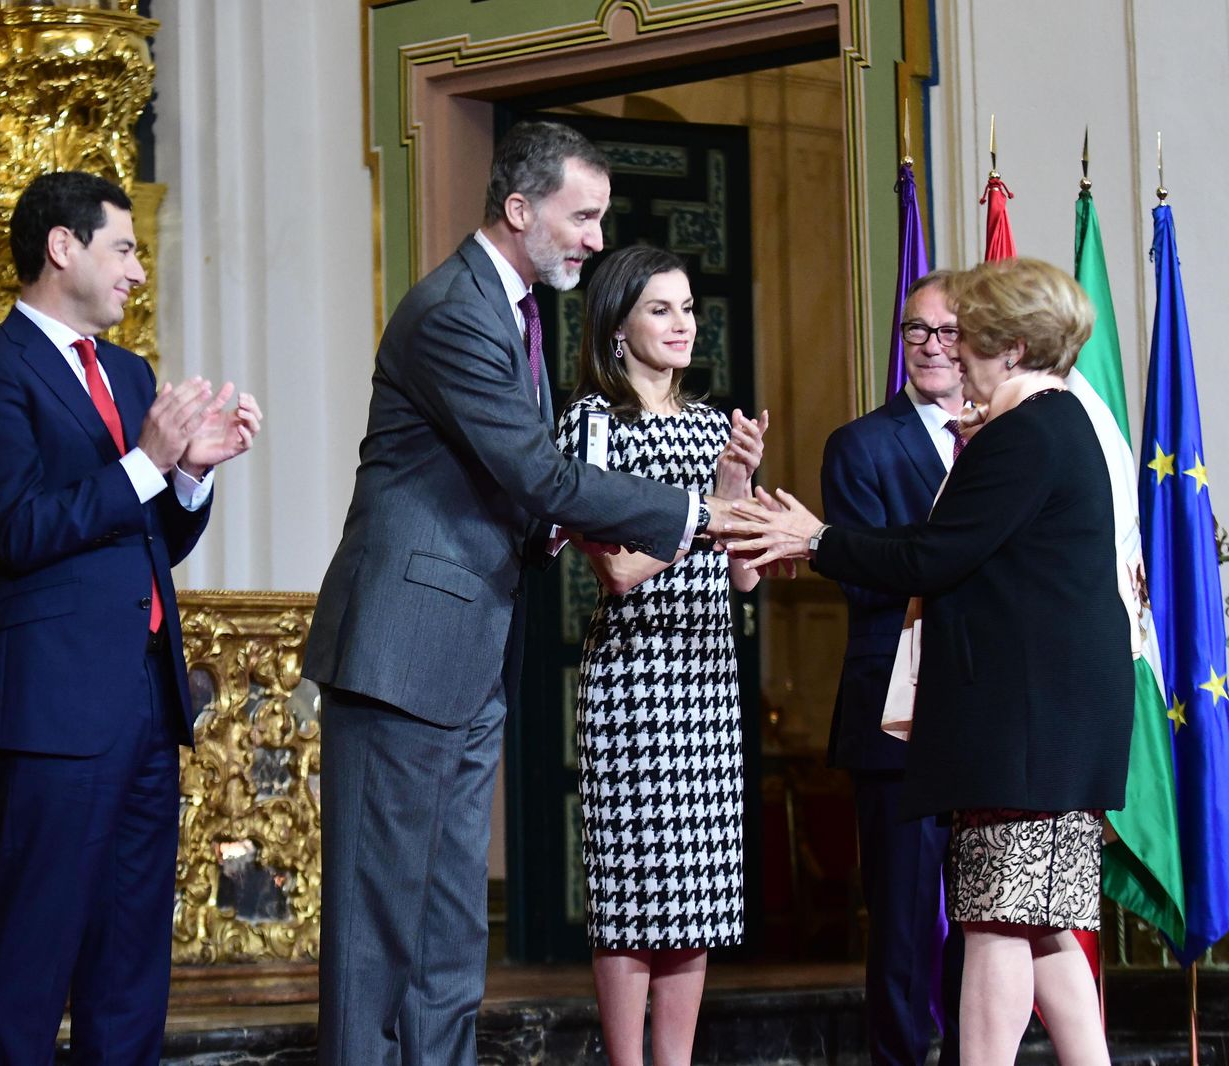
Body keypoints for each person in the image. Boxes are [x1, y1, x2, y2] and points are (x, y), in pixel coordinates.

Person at [304, 121, 733, 1066]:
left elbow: (522, 489)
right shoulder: (453, 310)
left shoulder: (519, 313)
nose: (593, 238)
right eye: (581, 218)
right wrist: (702, 514)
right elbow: (536, 470)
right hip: (401, 652)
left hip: (464, 656)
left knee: (451, 928)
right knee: (380, 931)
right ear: (519, 208)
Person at [724, 257, 1133, 1065]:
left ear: (1012, 346)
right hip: (1054, 721)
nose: (955, 350)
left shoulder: (1023, 434)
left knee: (991, 924)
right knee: (1043, 923)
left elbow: (932, 557)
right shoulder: (1060, 422)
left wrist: (816, 539)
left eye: (970, 336)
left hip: (1022, 726)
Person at [0, 170, 261, 1066]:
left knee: (131, 958)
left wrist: (193, 471)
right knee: (36, 952)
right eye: (123, 249)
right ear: (62, 247)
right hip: (53, 710)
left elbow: (145, 540)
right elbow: (16, 530)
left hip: (147, 702)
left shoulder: (127, 373)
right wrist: (147, 460)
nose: (137, 272)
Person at [555, 245, 766, 1065]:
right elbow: (615, 568)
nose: (683, 325)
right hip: (635, 684)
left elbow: (742, 576)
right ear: (617, 326)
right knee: (635, 896)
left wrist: (741, 491)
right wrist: (710, 508)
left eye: (688, 309)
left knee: (697, 900)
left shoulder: (714, 426)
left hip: (708, 681)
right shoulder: (592, 425)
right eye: (661, 310)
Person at [820, 271, 964, 1065]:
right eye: (918, 331)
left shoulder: (1006, 439)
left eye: (949, 332)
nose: (933, 346)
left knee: (988, 919)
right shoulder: (862, 444)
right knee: (905, 928)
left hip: (984, 712)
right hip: (894, 717)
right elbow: (859, 575)